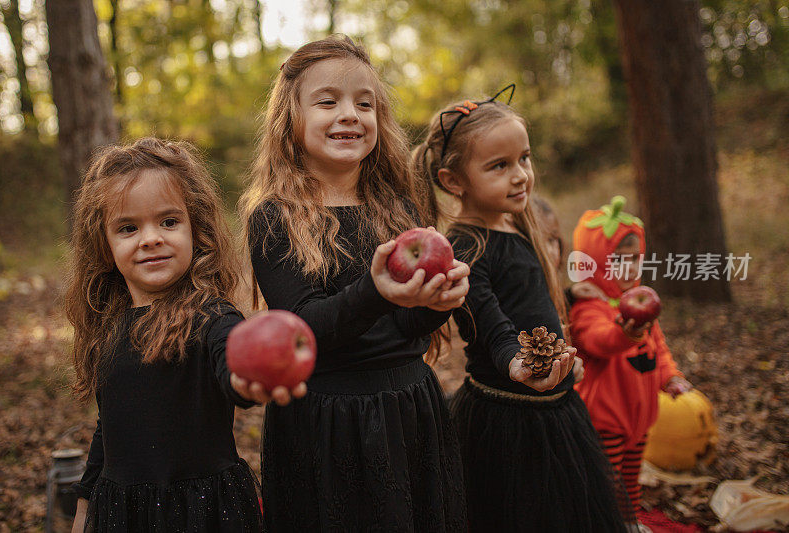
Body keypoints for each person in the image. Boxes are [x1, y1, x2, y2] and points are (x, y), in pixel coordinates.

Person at [238, 35, 470, 531]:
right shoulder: (275, 218)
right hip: (326, 422)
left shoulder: (400, 209)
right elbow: (302, 329)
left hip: (409, 408)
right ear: (290, 120)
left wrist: (437, 303)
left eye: (365, 104)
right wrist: (376, 290)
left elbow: (409, 328)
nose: (350, 114)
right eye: (328, 102)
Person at [413, 87, 630, 532]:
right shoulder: (464, 245)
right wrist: (516, 360)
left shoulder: (517, 221)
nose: (521, 176)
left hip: (557, 405)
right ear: (454, 181)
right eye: (499, 166)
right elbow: (490, 322)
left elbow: (526, 299)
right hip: (508, 414)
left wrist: (568, 303)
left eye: (524, 159)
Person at [66, 138, 274, 532]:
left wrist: (249, 377)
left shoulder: (212, 315)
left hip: (203, 512)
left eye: (168, 221)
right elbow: (108, 427)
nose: (151, 239)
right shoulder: (109, 327)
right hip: (123, 514)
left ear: (196, 227)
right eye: (128, 228)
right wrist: (84, 505)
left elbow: (232, 359)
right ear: (104, 243)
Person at [569, 196, 693, 528]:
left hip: (639, 417)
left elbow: (659, 351)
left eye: (634, 259)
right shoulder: (589, 308)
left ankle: (629, 521)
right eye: (617, 260)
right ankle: (604, 523)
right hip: (606, 417)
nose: (628, 268)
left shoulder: (642, 305)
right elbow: (598, 341)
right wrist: (626, 333)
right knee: (607, 482)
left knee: (629, 477)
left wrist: (671, 378)